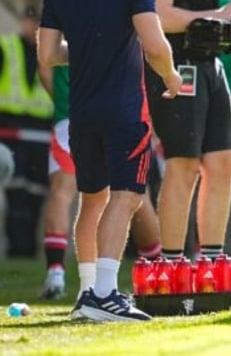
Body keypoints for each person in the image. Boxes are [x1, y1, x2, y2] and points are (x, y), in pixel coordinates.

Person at [38, 0, 182, 321]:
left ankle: (86, 295)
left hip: (80, 111)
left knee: (91, 199)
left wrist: (84, 49)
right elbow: (154, 45)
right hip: (124, 109)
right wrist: (172, 76)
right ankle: (104, 293)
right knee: (127, 196)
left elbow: (47, 55)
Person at [134, 0, 231, 265]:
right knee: (182, 164)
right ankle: (170, 264)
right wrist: (218, 17)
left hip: (207, 62)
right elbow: (158, 14)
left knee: (222, 161)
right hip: (178, 63)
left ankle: (210, 260)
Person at [36, 64, 163, 300]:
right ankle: (156, 273)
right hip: (120, 113)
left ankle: (72, 280)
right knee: (132, 195)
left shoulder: (65, 26)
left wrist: (65, 100)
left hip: (74, 116)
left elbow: (45, 64)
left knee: (75, 196)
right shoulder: (121, 26)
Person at [0, 5, 53, 258]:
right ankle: (16, 251)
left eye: (38, 22)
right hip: (9, 130)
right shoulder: (4, 46)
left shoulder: (53, 50)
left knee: (36, 195)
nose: (33, 27)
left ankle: (28, 252)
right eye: (30, 21)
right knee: (15, 195)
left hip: (41, 132)